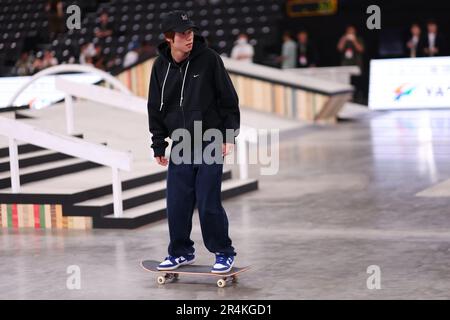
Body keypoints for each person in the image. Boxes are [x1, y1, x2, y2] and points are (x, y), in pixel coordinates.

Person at [147, 11, 239, 273]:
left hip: (210, 141)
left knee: (208, 201)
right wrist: (158, 144)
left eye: (191, 33)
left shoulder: (209, 60)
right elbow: (155, 108)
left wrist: (229, 136)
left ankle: (223, 252)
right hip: (181, 145)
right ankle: (180, 252)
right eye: (183, 34)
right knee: (177, 202)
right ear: (168, 38)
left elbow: (229, 101)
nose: (189, 38)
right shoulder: (159, 67)